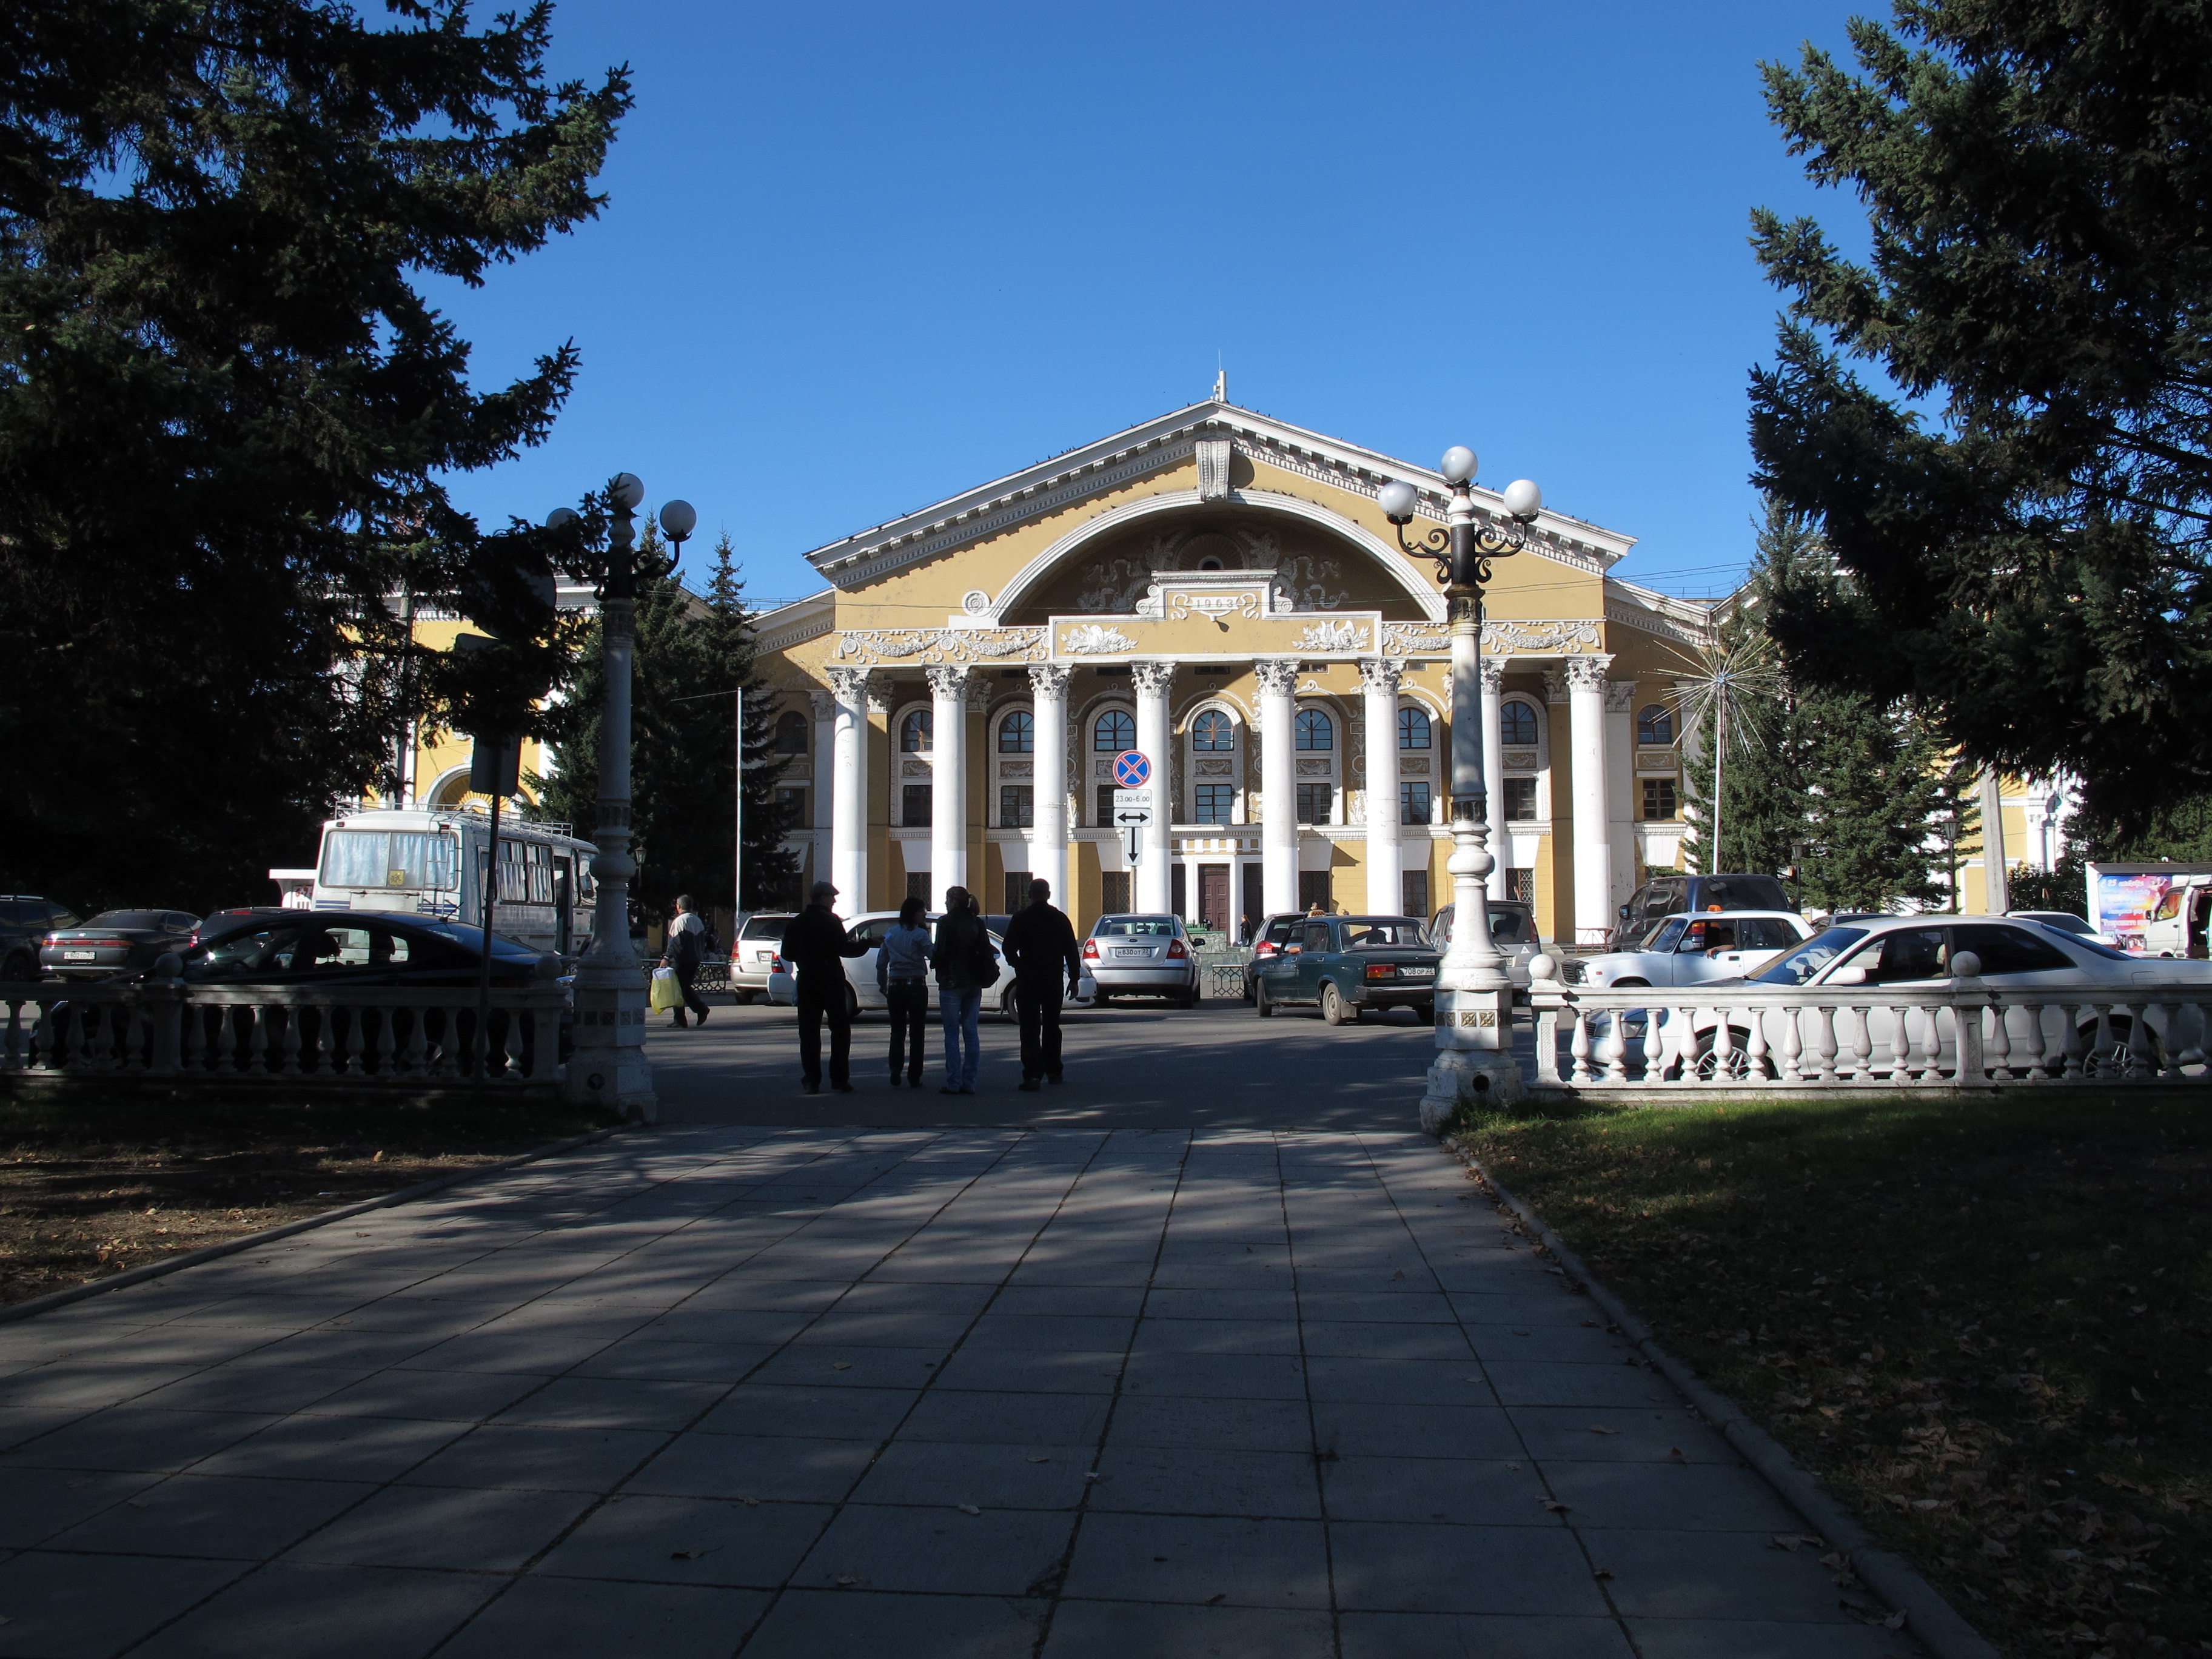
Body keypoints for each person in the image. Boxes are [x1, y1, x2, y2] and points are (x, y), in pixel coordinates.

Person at [779, 882, 867, 1093]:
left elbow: (787, 953)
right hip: (831, 980)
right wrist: (867, 943)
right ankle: (839, 1079)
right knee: (840, 1031)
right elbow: (844, 949)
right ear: (824, 898)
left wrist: (805, 958)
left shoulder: (797, 922)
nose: (834, 901)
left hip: (808, 980)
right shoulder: (831, 921)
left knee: (809, 1033)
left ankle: (811, 1080)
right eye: (832, 897)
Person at [1000, 877, 1081, 1091]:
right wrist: (1074, 978)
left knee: (1029, 1028)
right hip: (1053, 979)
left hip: (1028, 980)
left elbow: (1008, 948)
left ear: (1029, 895)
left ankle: (1033, 1075)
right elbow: (1072, 951)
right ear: (1049, 894)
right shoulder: (1060, 919)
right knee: (1052, 1026)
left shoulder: (1021, 918)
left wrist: (1019, 965)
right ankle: (1054, 1071)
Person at [930, 885, 994, 1095]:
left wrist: (938, 968)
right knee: (971, 1032)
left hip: (952, 982)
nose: (946, 904)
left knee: (951, 1034)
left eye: (947, 900)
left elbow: (941, 952)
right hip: (973, 982)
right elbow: (986, 950)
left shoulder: (946, 922)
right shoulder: (977, 922)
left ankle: (953, 1082)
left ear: (954, 902)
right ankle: (970, 1082)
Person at [876, 895, 932, 1087]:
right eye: (922, 912)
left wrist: (882, 984)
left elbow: (881, 962)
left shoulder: (891, 933)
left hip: (895, 986)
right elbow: (932, 954)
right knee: (917, 1032)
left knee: (897, 1031)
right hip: (916, 985)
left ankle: (895, 1069)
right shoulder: (920, 935)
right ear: (913, 913)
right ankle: (915, 1075)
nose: (924, 915)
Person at [665, 894, 710, 1028]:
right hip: (695, 959)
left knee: (677, 989)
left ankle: (681, 1019)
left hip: (681, 960)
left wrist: (667, 958)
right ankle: (700, 1010)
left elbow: (675, 943)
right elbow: (703, 942)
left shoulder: (679, 921)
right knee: (685, 989)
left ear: (678, 906)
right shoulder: (697, 921)